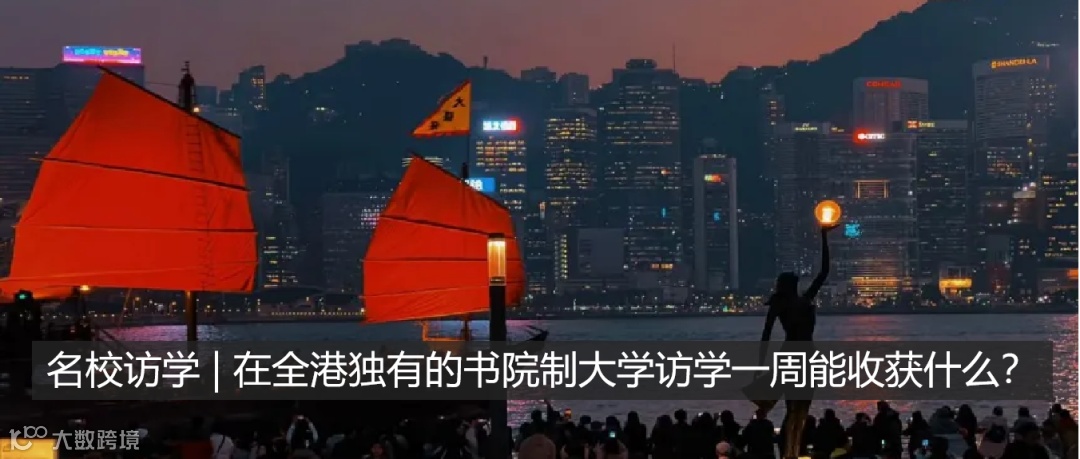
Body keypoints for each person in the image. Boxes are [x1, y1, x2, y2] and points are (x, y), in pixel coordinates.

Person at [756, 224, 836, 459]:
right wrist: (760, 367)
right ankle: (789, 453)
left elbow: (824, 272)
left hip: (803, 355)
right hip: (796, 355)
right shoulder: (785, 304)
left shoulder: (801, 300)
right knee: (795, 409)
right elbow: (766, 335)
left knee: (800, 409)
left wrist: (824, 237)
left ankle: (792, 451)